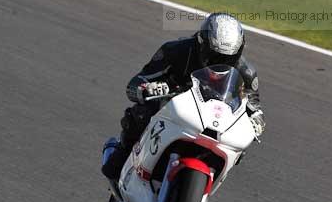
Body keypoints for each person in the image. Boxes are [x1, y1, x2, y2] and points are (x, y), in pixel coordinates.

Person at [102, 12, 265, 180]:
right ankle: (122, 157)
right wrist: (149, 89)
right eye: (214, 55)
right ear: (202, 43)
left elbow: (254, 105)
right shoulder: (175, 51)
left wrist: (257, 120)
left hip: (214, 119)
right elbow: (135, 83)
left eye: (227, 58)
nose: (219, 62)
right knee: (142, 113)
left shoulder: (246, 71)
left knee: (239, 146)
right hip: (174, 108)